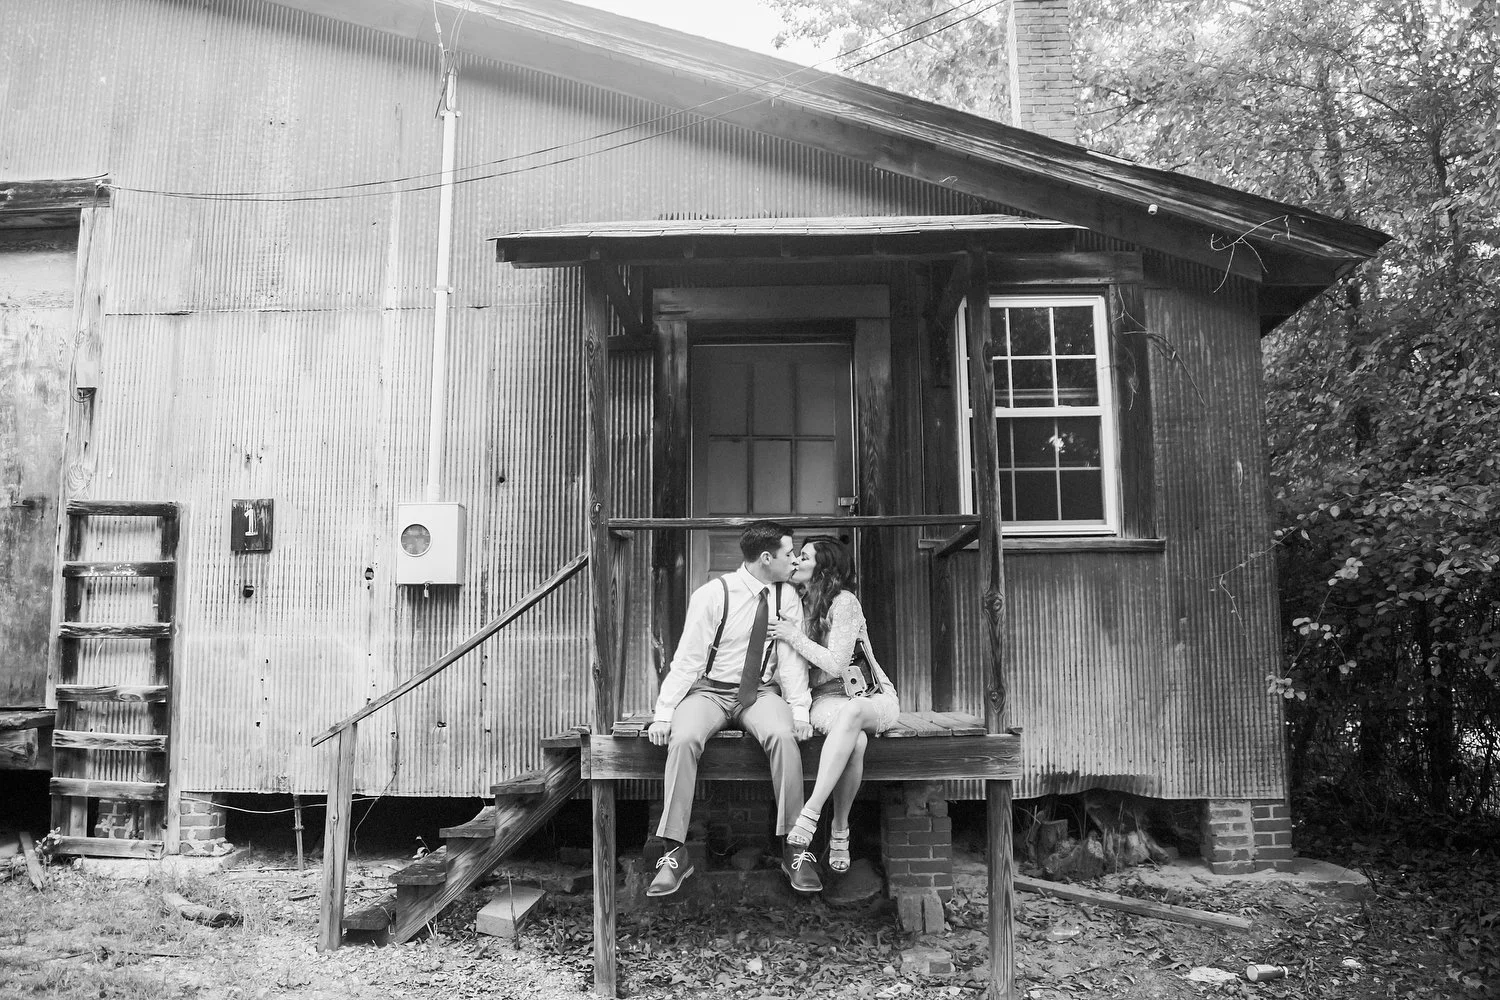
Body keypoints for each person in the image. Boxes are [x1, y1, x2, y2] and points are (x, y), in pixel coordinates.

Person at [646, 520, 821, 896]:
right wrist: (664, 713)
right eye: (789, 553)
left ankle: (794, 847)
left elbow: (791, 661)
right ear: (766, 558)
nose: (793, 560)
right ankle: (674, 851)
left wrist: (800, 711)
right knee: (683, 738)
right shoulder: (712, 595)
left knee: (783, 736)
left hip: (760, 693)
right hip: (710, 691)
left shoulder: (786, 598)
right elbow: (688, 660)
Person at [768, 535, 899, 873]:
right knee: (857, 741)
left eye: (804, 556)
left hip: (872, 697)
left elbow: (837, 663)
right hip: (825, 700)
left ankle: (810, 812)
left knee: (853, 713)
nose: (796, 561)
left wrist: (794, 635)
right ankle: (840, 828)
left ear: (824, 568)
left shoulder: (844, 602)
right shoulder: (796, 603)